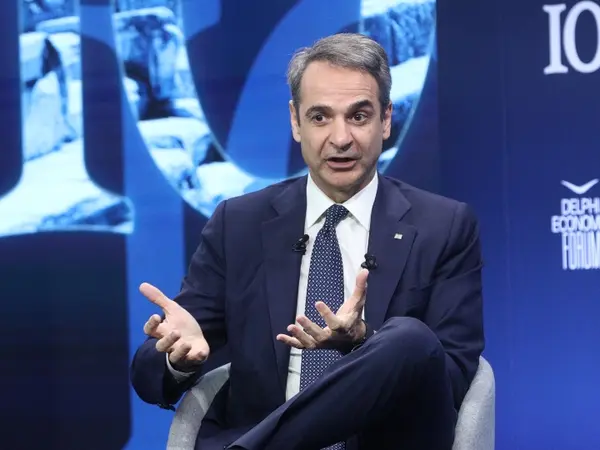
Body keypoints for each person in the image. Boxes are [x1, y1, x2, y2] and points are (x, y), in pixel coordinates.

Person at [130, 33, 485, 450]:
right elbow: (149, 379)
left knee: (410, 338)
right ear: (296, 122)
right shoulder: (238, 224)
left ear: (386, 120)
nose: (340, 138)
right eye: (320, 117)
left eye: (359, 116)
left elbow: (452, 377)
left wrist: (365, 341)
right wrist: (175, 357)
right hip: (256, 424)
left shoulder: (443, 226)